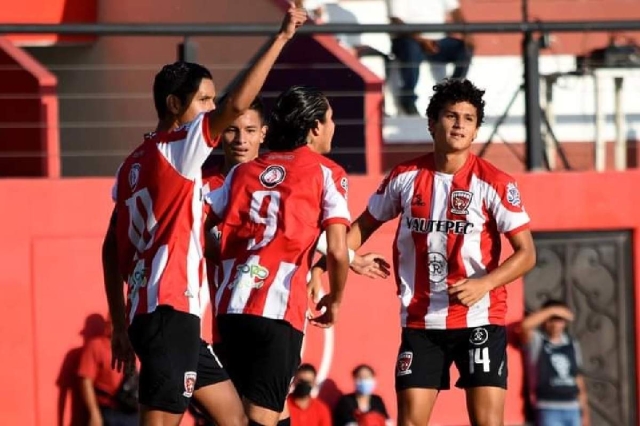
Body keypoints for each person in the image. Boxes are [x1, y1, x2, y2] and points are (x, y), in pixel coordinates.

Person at [101, 6, 308, 426]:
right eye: (204, 100)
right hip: (168, 312)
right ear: (175, 104)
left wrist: (120, 326)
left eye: (213, 99)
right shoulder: (178, 148)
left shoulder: (131, 166)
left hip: (163, 317)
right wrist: (283, 37)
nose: (214, 108)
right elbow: (237, 103)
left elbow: (109, 249)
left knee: (233, 418)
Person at [309, 78, 537, 426]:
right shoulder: (405, 176)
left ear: (476, 130)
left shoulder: (495, 182)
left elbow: (527, 254)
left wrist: (484, 284)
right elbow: (359, 230)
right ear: (432, 123)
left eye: (468, 118)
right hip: (420, 320)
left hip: (480, 319)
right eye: (451, 116)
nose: (459, 124)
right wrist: (323, 268)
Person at [203, 85, 351, 426]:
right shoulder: (327, 172)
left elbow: (198, 225)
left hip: (231, 309)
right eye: (330, 120)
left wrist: (224, 255)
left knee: (257, 410)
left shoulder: (243, 171)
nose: (333, 127)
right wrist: (337, 298)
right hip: (277, 311)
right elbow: (338, 252)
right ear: (315, 127)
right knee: (259, 419)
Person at [386, 0, 474, 115]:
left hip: (438, 41)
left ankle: (452, 92)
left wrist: (467, 34)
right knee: (410, 49)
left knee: (464, 48)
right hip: (410, 39)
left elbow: (455, 10)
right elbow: (396, 20)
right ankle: (407, 99)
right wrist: (421, 40)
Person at [520, 300, 590, 426]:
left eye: (560, 319)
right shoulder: (538, 341)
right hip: (548, 407)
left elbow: (577, 376)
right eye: (552, 319)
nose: (556, 324)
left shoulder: (571, 343)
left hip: (572, 406)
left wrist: (584, 411)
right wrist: (553, 310)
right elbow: (525, 326)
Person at [77, 316, 138, 426]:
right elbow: (86, 381)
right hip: (110, 411)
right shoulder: (96, 345)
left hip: (134, 411)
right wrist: (94, 413)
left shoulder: (135, 347)